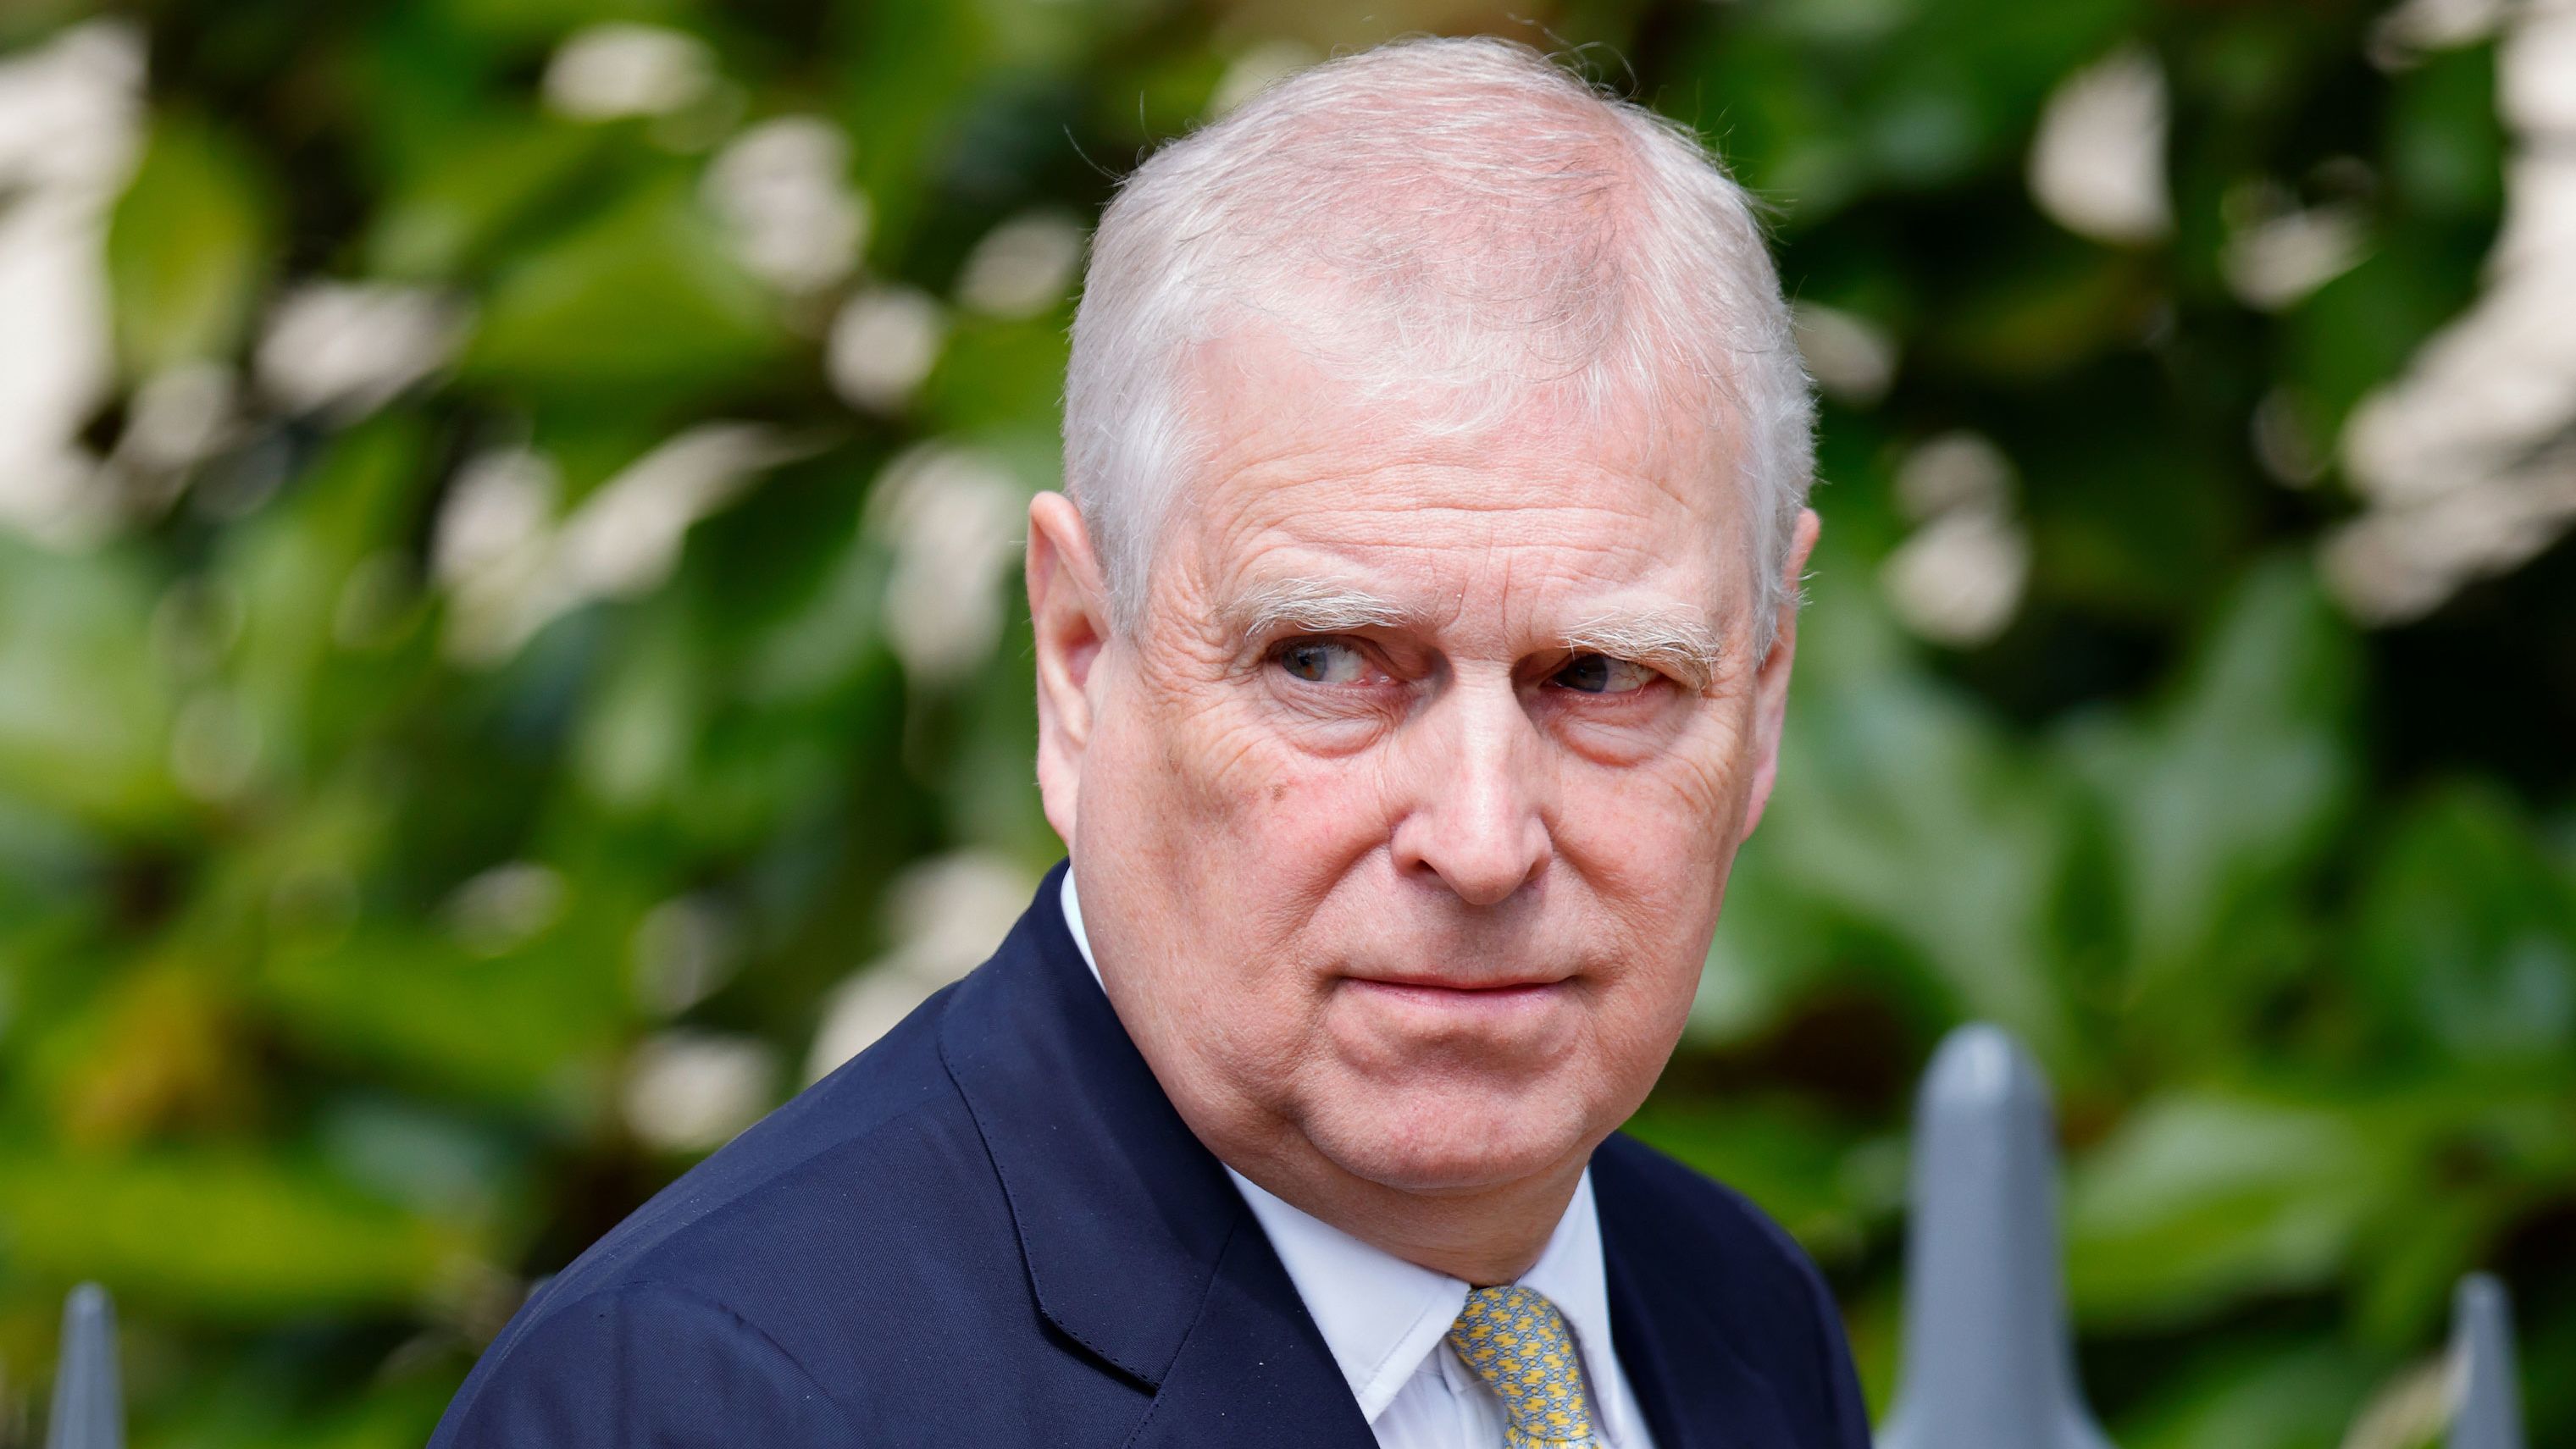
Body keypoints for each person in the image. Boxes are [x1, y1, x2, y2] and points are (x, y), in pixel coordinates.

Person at [430, 35, 1866, 1449]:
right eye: (1328, 663)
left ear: (1763, 694)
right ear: (1077, 663)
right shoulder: (708, 1405)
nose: (1483, 842)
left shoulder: (1733, 1318)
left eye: (1603, 674)